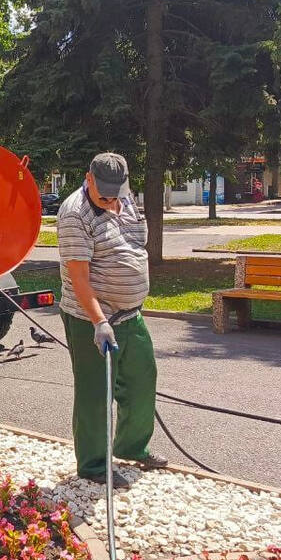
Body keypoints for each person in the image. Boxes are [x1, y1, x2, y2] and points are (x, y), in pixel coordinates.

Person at [56, 152, 167, 488]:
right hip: (90, 318)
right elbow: (79, 278)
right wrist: (98, 321)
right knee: (95, 393)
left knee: (142, 379)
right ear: (88, 178)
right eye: (102, 193)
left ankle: (132, 447)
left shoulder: (125, 198)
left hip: (131, 314)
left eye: (113, 194)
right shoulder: (75, 213)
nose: (108, 199)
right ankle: (93, 465)